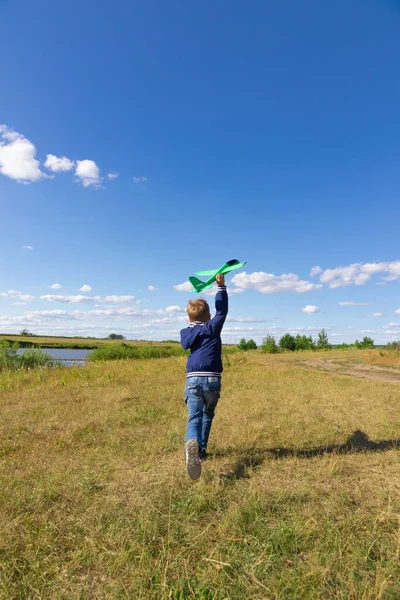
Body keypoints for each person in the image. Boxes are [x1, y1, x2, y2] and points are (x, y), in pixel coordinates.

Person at [180, 273, 228, 479]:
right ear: (208, 317)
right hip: (213, 380)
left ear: (189, 318)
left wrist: (193, 324)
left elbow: (185, 344)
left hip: (193, 380)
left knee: (195, 417)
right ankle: (201, 450)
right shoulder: (212, 327)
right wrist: (221, 288)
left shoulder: (186, 332)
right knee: (207, 414)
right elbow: (222, 310)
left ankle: (192, 444)